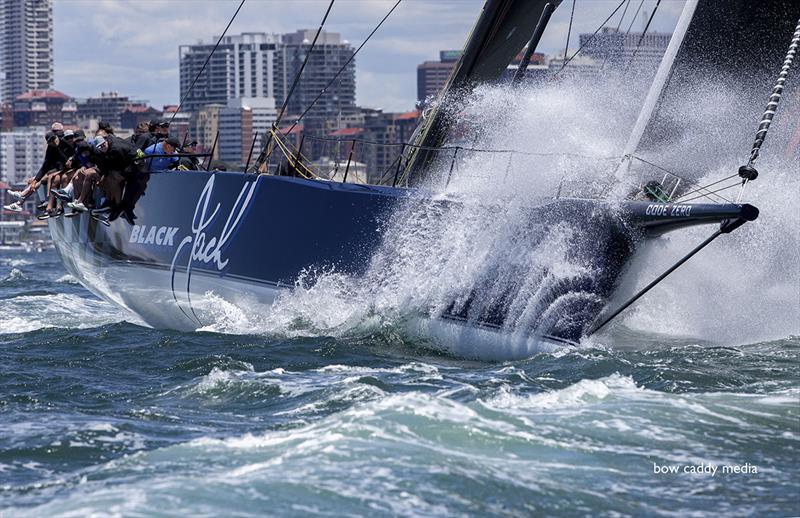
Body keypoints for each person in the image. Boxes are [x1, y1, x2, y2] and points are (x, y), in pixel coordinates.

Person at [4, 131, 69, 213]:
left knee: (45, 178)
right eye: (50, 141)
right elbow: (45, 166)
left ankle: (24, 196)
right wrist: (35, 181)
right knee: (33, 180)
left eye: (54, 139)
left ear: (57, 136)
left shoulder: (65, 143)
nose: (53, 142)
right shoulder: (51, 148)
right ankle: (19, 202)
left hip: (68, 168)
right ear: (48, 143)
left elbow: (70, 159)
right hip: (58, 169)